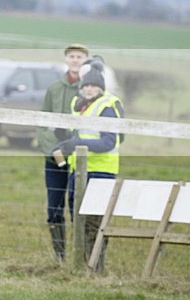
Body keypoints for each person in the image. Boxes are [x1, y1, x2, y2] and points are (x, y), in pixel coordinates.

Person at [52, 58, 124, 271]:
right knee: (78, 220)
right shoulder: (80, 106)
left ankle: (97, 267)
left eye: (94, 86)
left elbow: (109, 141)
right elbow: (78, 135)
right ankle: (82, 264)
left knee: (94, 223)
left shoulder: (107, 107)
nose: (89, 89)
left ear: (100, 88)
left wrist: (77, 143)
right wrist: (64, 143)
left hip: (100, 172)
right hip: (79, 172)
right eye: (86, 85)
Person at [37, 44, 89, 263]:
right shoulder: (54, 89)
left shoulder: (90, 89)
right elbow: (43, 122)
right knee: (54, 208)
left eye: (79, 57)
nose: (75, 60)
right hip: (54, 158)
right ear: (66, 60)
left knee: (77, 208)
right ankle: (60, 258)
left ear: (85, 61)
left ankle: (82, 257)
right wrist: (52, 148)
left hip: (80, 160)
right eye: (72, 56)